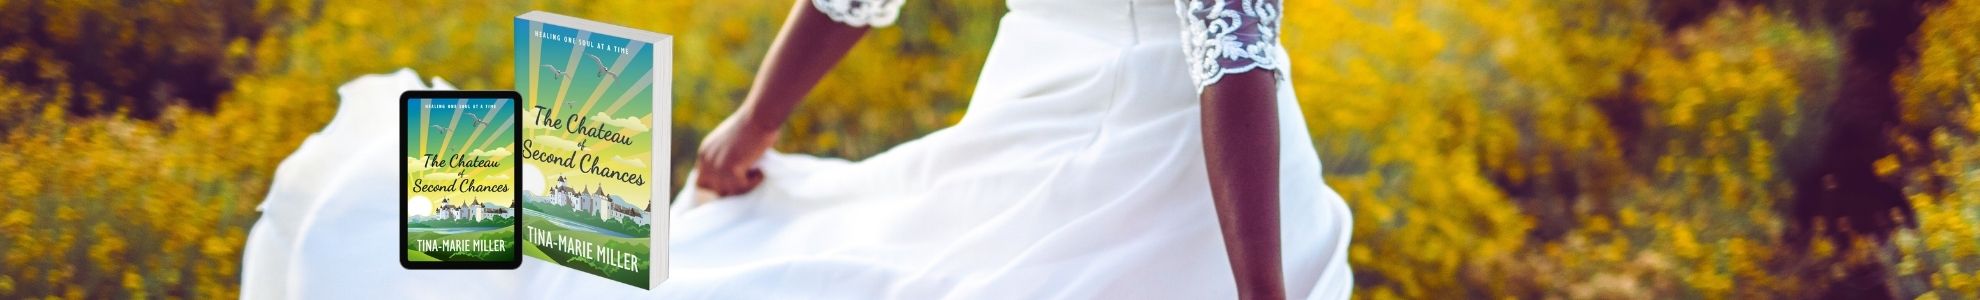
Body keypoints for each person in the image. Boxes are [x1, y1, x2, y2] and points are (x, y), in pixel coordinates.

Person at [668, 0, 1352, 298]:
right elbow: (1236, 50)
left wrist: (1261, 291)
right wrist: (756, 119)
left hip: (1187, 178)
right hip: (1035, 123)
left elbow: (1230, 54)